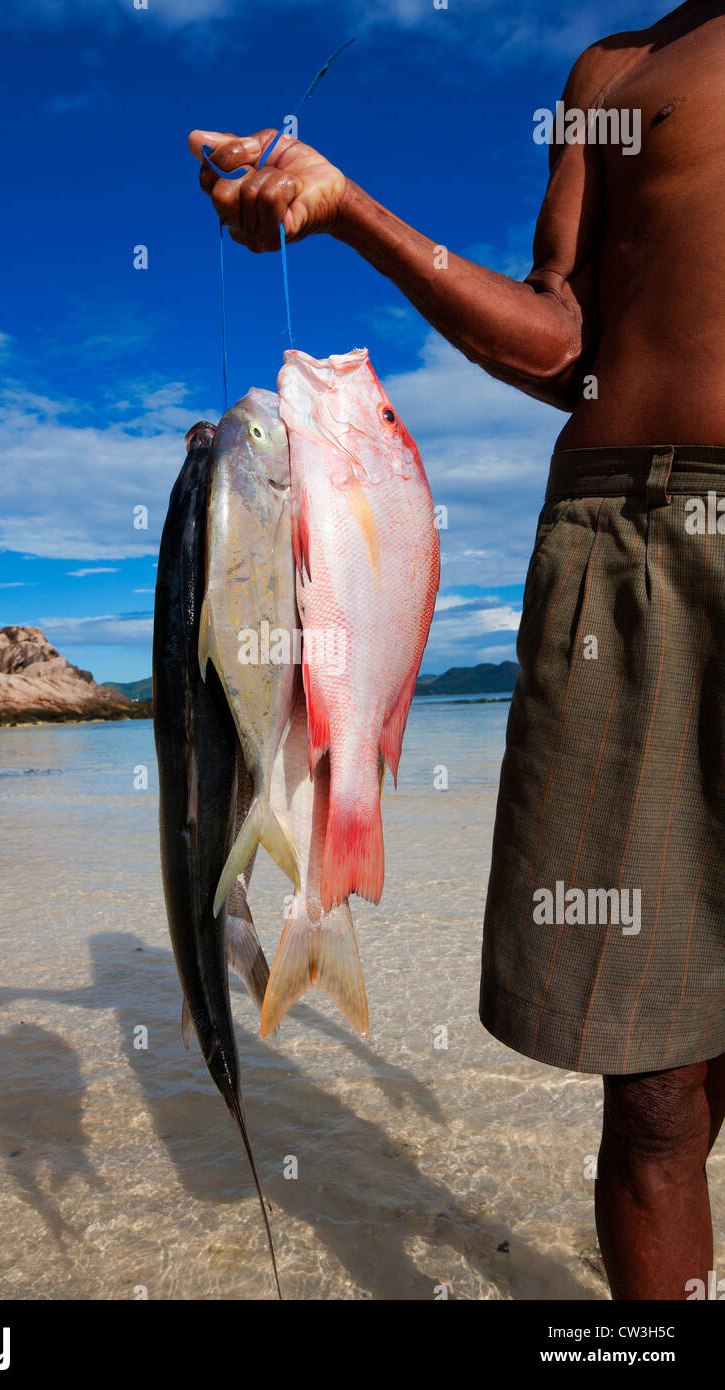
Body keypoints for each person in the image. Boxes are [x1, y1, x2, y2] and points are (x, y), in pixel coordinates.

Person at [188, 0, 725, 1300]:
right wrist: (348, 207)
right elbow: (560, 338)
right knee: (651, 1071)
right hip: (625, 542)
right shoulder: (611, 72)